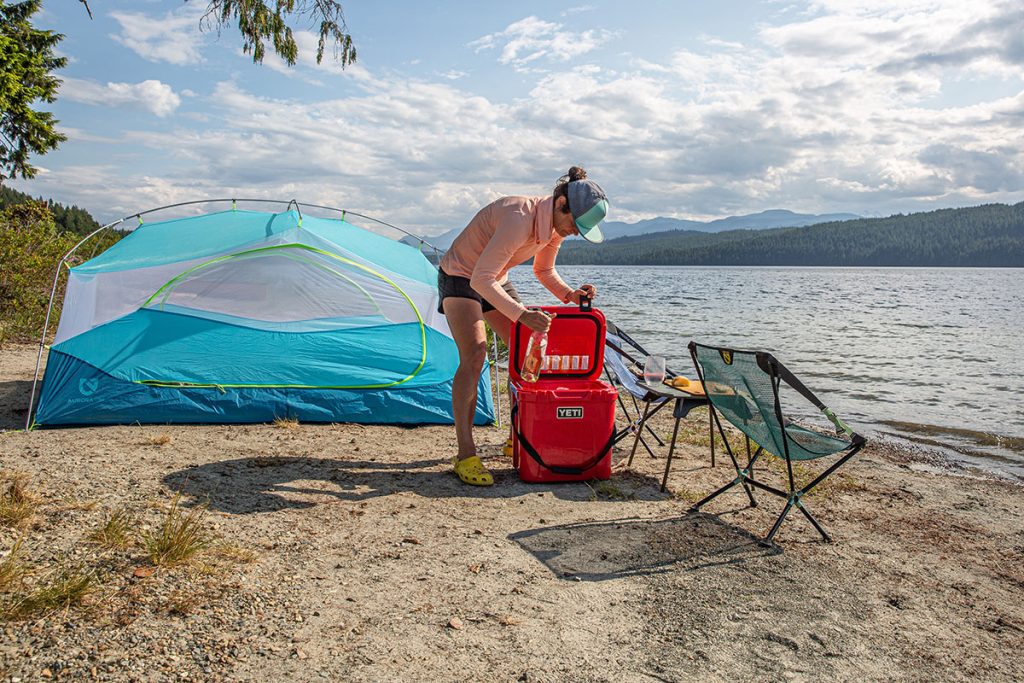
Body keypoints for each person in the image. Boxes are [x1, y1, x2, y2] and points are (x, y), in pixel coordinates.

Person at [437, 166, 609, 485]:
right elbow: (478, 279)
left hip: (494, 277)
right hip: (461, 274)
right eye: (576, 224)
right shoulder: (519, 217)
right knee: (475, 354)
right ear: (560, 204)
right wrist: (521, 314)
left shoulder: (554, 228)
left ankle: (521, 436)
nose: (575, 233)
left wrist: (570, 294)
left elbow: (543, 271)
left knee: (529, 354)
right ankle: (465, 454)